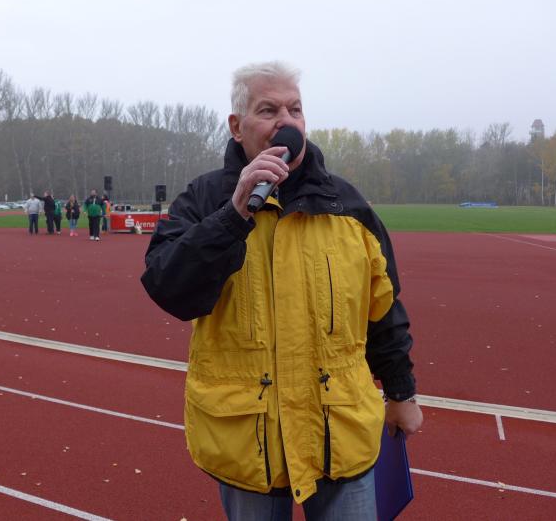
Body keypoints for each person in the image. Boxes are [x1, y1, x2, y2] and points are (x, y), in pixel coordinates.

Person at [140, 61, 422, 520]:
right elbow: (168, 286)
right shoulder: (205, 198)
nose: (285, 121)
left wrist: (401, 392)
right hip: (250, 442)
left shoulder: (348, 205)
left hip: (340, 431)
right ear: (237, 127)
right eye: (268, 110)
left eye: (295, 109)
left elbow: (383, 310)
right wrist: (232, 216)